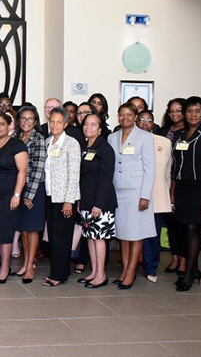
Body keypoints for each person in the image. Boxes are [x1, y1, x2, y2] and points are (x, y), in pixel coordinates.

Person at [107, 103, 155, 290]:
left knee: (136, 234)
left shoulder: (145, 137)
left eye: (129, 114)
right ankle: (125, 269)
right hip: (118, 190)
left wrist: (145, 196)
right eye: (122, 115)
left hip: (136, 192)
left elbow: (150, 168)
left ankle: (131, 272)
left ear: (135, 116)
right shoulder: (112, 137)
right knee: (123, 234)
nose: (125, 118)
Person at [0, 112, 27, 284]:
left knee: (5, 233)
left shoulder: (17, 145)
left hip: (9, 196)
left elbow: (22, 171)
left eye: (2, 124)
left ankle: (5, 267)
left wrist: (17, 195)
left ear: (9, 126)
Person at [77, 113, 117, 289]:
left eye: (93, 125)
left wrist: (98, 204)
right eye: (86, 124)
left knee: (99, 238)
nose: (89, 127)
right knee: (90, 238)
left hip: (101, 203)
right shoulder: (86, 147)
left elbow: (106, 178)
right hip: (86, 201)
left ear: (100, 129)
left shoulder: (105, 148)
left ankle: (101, 274)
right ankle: (94, 271)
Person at [43, 107, 82, 287]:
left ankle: (58, 275)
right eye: (52, 121)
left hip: (64, 199)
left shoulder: (71, 143)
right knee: (53, 237)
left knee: (62, 238)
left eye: (59, 121)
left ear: (66, 123)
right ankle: (61, 271)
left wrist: (69, 201)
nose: (55, 124)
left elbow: (74, 174)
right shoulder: (48, 142)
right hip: (50, 196)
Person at [170, 96, 201, 291]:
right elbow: (176, 166)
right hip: (182, 188)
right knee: (184, 228)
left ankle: (189, 274)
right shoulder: (180, 134)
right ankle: (195, 268)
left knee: (193, 229)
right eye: (189, 111)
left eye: (197, 111)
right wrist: (173, 192)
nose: (193, 115)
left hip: (200, 188)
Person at [137, 110, 172, 282]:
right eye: (141, 120)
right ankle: (131, 264)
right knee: (133, 234)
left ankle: (151, 267)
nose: (145, 123)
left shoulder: (164, 143)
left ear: (154, 123)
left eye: (148, 120)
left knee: (153, 234)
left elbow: (168, 173)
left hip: (156, 195)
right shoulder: (129, 141)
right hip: (133, 195)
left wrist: (169, 195)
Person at [14, 105, 46, 284]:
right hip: (20, 188)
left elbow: (39, 168)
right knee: (24, 228)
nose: (26, 122)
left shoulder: (38, 139)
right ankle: (26, 263)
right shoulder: (17, 137)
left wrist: (29, 195)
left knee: (32, 229)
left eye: (30, 119)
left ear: (36, 121)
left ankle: (31, 267)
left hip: (34, 189)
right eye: (23, 118)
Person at [157, 98, 187, 275]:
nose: (175, 114)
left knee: (183, 224)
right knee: (171, 224)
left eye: (178, 110)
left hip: (182, 182)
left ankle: (184, 259)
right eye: (172, 111)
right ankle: (175, 257)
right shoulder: (164, 131)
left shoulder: (189, 132)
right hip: (164, 182)